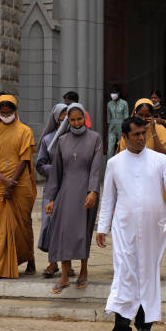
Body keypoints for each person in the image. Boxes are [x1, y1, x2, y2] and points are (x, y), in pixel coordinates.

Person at [96, 116, 166, 331]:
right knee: (125, 273)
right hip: (124, 228)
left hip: (153, 228)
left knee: (147, 272)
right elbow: (108, 199)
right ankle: (121, 330)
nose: (140, 138)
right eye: (135, 135)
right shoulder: (114, 163)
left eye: (143, 134)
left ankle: (144, 326)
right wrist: (102, 228)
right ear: (124, 137)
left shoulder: (159, 160)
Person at [45, 103, 103, 294]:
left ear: (84, 118)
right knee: (63, 232)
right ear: (67, 121)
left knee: (83, 232)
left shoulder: (95, 138)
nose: (76, 123)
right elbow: (56, 173)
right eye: (72, 120)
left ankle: (84, 271)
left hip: (86, 192)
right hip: (66, 192)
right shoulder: (62, 141)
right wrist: (51, 198)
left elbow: (96, 168)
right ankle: (64, 276)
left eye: (79, 119)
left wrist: (93, 191)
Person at [0, 95, 37, 280]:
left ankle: (29, 259)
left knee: (23, 223)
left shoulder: (25, 131)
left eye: (9, 112)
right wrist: (4, 181)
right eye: (3, 113)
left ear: (15, 111)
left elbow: (25, 159)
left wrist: (12, 181)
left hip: (20, 184)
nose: (6, 115)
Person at [36, 103, 72, 278]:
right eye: (62, 117)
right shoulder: (48, 140)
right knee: (50, 223)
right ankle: (52, 262)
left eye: (68, 117)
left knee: (68, 224)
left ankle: (68, 264)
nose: (65, 120)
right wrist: (57, 169)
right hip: (53, 188)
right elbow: (40, 165)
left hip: (72, 186)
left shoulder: (76, 138)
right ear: (56, 119)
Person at [107, 85, 129, 159]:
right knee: (110, 149)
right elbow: (108, 118)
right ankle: (109, 165)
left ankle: (122, 164)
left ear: (119, 93)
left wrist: (125, 130)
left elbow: (126, 118)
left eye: (115, 93)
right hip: (112, 128)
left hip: (121, 128)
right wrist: (108, 130)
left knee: (122, 147)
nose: (113, 94)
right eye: (112, 93)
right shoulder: (109, 104)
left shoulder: (124, 103)